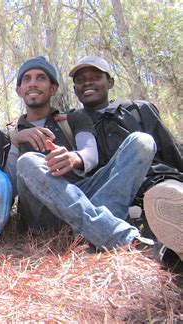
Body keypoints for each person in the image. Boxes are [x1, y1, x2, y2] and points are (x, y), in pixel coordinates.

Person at [6, 56, 156, 250]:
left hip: (83, 196)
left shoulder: (73, 118)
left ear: (53, 88)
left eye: (41, 78)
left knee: (142, 142)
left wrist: (74, 158)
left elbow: (90, 154)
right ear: (19, 90)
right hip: (43, 215)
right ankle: (120, 237)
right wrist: (16, 140)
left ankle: (94, 233)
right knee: (28, 162)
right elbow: (8, 187)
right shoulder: (10, 132)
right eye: (27, 79)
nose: (33, 83)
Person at [69, 55, 183, 265]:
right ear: (75, 88)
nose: (87, 83)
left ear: (110, 82)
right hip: (118, 198)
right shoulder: (74, 122)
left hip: (158, 181)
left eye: (95, 77)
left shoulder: (139, 109)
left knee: (170, 197)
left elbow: (171, 149)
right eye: (80, 80)